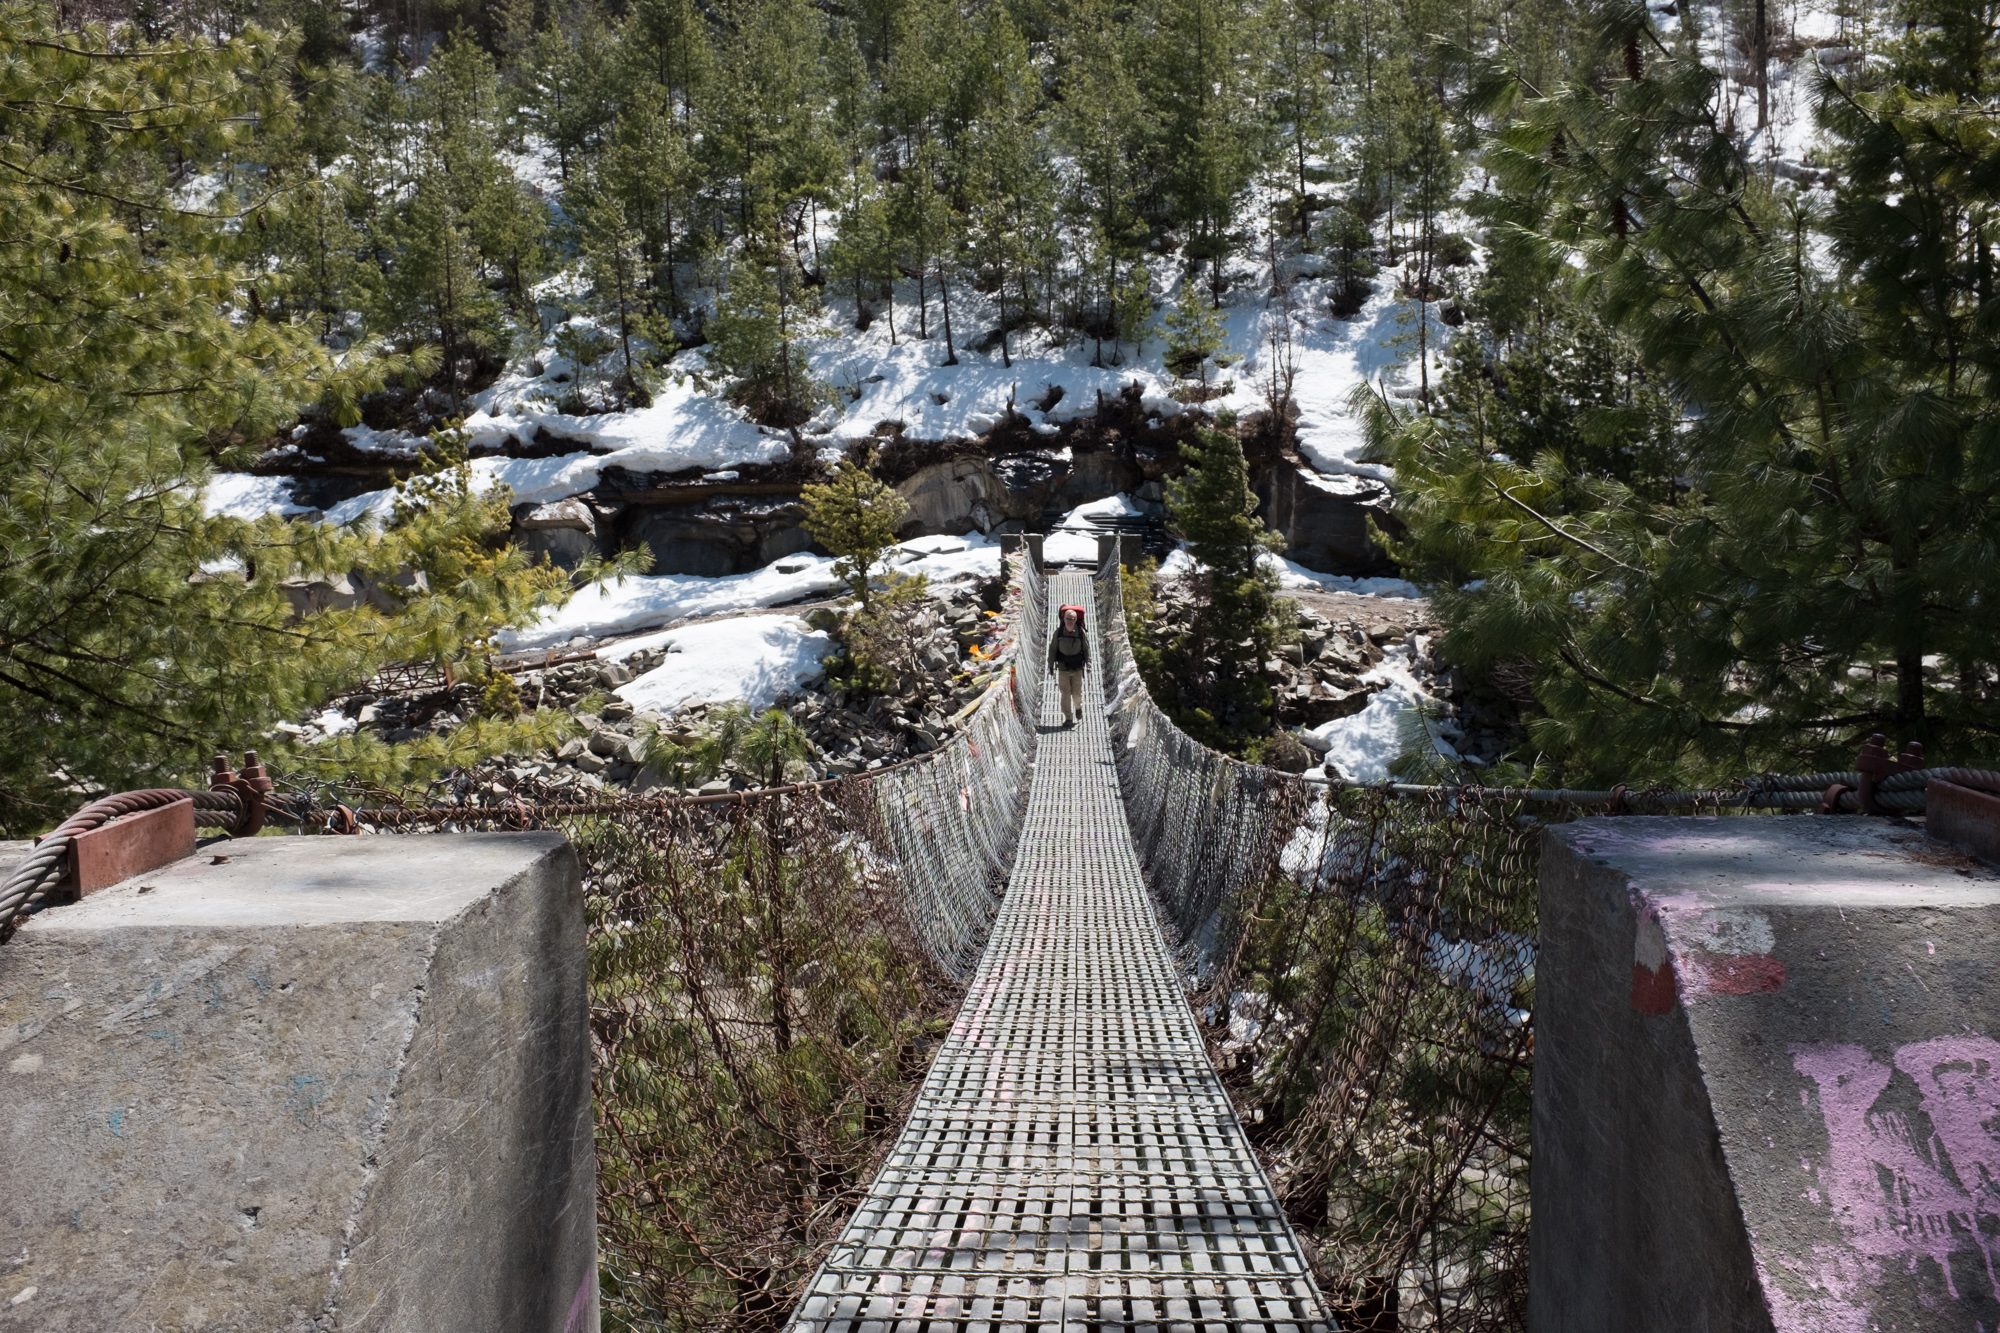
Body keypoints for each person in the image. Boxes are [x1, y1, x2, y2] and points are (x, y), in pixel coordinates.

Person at [1047, 603, 1089, 727]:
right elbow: (1052, 649)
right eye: (1067, 619)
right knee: (1065, 694)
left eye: (1072, 619)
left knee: (1076, 693)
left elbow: (1086, 650)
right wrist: (1050, 665)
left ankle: (1078, 708)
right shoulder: (1058, 633)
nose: (1070, 621)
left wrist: (1089, 664)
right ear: (1063, 619)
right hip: (1063, 669)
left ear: (1076, 620)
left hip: (1077, 669)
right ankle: (1068, 718)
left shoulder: (1081, 633)